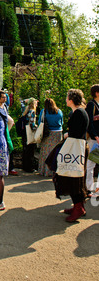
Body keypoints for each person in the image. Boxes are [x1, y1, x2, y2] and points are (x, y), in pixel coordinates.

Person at [53, 89, 89, 222]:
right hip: (76, 148)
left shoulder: (78, 112)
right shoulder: (80, 111)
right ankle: (78, 206)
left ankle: (78, 208)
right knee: (74, 177)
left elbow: (75, 131)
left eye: (67, 97)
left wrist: (67, 134)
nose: (66, 99)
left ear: (72, 99)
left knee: (72, 177)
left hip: (75, 149)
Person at [38, 98, 63, 176]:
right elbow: (62, 122)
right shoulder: (59, 111)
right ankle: (55, 170)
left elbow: (40, 122)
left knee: (45, 152)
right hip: (58, 133)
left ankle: (45, 170)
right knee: (56, 152)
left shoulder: (44, 111)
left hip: (48, 133)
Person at [0, 90, 17, 175]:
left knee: (9, 147)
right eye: (3, 97)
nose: (5, 99)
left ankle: (9, 167)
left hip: (5, 131)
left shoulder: (4, 106)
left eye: (5, 97)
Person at [85, 84, 99, 195]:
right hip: (95, 139)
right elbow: (89, 122)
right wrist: (95, 136)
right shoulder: (91, 105)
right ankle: (88, 187)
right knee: (91, 163)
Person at [21, 98, 38, 172]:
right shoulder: (32, 112)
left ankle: (25, 166)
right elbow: (32, 123)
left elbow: (21, 103)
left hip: (25, 132)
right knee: (30, 150)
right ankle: (29, 167)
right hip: (30, 133)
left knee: (25, 150)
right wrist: (36, 128)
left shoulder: (25, 111)